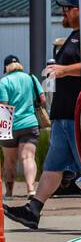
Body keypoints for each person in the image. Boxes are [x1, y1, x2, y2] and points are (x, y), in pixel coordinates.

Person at [4, 0, 81, 230]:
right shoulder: (72, 37)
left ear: (80, 10)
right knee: (53, 167)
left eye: (68, 8)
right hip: (62, 116)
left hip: (75, 115)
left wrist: (62, 70)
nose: (64, 12)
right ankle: (33, 210)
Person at [0, 55, 45, 198]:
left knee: (9, 160)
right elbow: (42, 99)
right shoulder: (31, 78)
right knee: (28, 157)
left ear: (6, 67)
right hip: (29, 123)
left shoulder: (4, 81)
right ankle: (31, 189)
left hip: (9, 126)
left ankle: (10, 192)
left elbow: (4, 105)